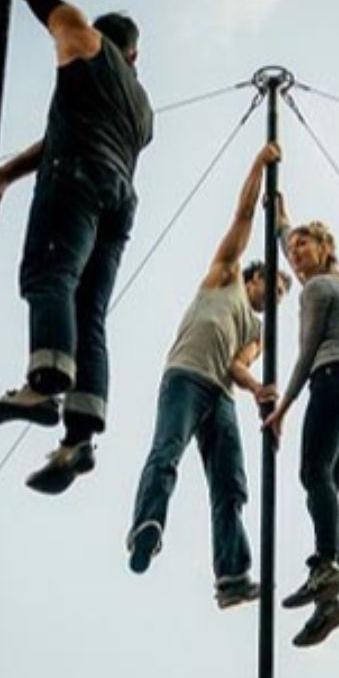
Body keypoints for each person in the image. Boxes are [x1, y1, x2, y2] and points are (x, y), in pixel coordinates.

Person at [0, 0, 155, 493]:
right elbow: (58, 136)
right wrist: (5, 173)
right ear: (135, 56)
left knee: (49, 274)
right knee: (89, 312)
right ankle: (80, 438)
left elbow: (48, 5)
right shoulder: (142, 107)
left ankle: (44, 387)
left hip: (78, 180)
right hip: (119, 200)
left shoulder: (83, 40)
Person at [126, 143, 290, 609]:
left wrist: (258, 388)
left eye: (281, 293)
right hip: (184, 376)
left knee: (231, 484)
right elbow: (242, 215)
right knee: (167, 452)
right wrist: (260, 163)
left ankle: (232, 574)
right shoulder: (227, 274)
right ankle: (147, 526)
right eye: (274, 285)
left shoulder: (258, 330)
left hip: (219, 393)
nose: (275, 294)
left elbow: (240, 367)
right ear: (256, 277)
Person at [264, 201, 339, 648]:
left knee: (313, 475)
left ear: (325, 247)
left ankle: (326, 565)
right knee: (325, 488)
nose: (295, 253)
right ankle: (330, 598)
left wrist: (282, 408)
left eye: (303, 245)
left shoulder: (316, 289)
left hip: (329, 381)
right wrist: (281, 218)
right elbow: (289, 238)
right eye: (292, 249)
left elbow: (306, 353)